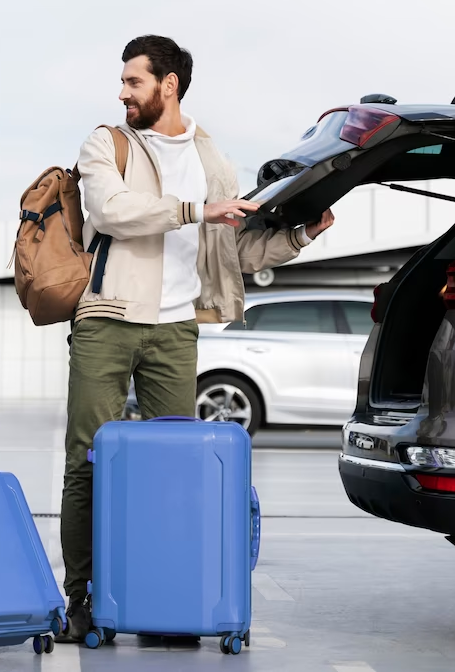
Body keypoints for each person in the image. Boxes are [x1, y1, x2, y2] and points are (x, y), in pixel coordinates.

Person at [56, 35, 336, 643]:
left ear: (169, 85)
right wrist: (196, 211)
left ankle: (164, 596)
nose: (123, 92)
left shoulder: (213, 160)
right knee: (86, 460)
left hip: (175, 328)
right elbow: (110, 212)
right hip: (106, 318)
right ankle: (78, 597)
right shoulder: (107, 143)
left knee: (172, 469)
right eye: (124, 81)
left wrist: (300, 235)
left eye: (134, 81)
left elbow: (230, 249)